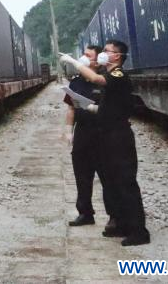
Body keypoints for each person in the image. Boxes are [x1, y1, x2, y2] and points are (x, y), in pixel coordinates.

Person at [60, 40, 150, 246]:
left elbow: (95, 79)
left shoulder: (117, 75)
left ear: (117, 56)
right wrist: (90, 108)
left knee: (126, 183)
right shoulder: (109, 76)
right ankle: (122, 225)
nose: (104, 54)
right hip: (108, 134)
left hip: (118, 135)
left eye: (107, 51)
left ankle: (139, 231)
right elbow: (109, 106)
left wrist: (74, 62)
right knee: (114, 182)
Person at [63, 45, 117, 230]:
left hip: (103, 133)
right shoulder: (76, 82)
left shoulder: (104, 80)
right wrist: (68, 130)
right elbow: (71, 107)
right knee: (82, 175)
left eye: (88, 55)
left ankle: (114, 216)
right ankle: (85, 213)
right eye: (83, 54)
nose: (83, 58)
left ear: (96, 60)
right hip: (83, 133)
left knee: (107, 177)